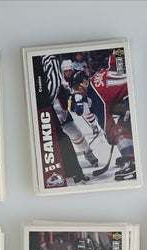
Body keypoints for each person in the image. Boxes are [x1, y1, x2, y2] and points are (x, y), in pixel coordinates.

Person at [69, 51, 137, 181]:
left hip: (135, 98)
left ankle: (132, 162)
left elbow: (106, 122)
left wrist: (111, 138)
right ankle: (131, 152)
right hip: (134, 92)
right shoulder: (97, 75)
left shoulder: (95, 94)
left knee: (117, 130)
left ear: (84, 81)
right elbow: (112, 64)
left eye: (77, 87)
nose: (76, 91)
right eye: (74, 89)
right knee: (121, 117)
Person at [39, 54, 96, 186]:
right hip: (50, 115)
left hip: (62, 115)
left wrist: (75, 100)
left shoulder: (60, 80)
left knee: (76, 135)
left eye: (69, 70)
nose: (68, 73)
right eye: (66, 71)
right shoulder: (57, 80)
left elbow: (70, 95)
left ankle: (89, 154)